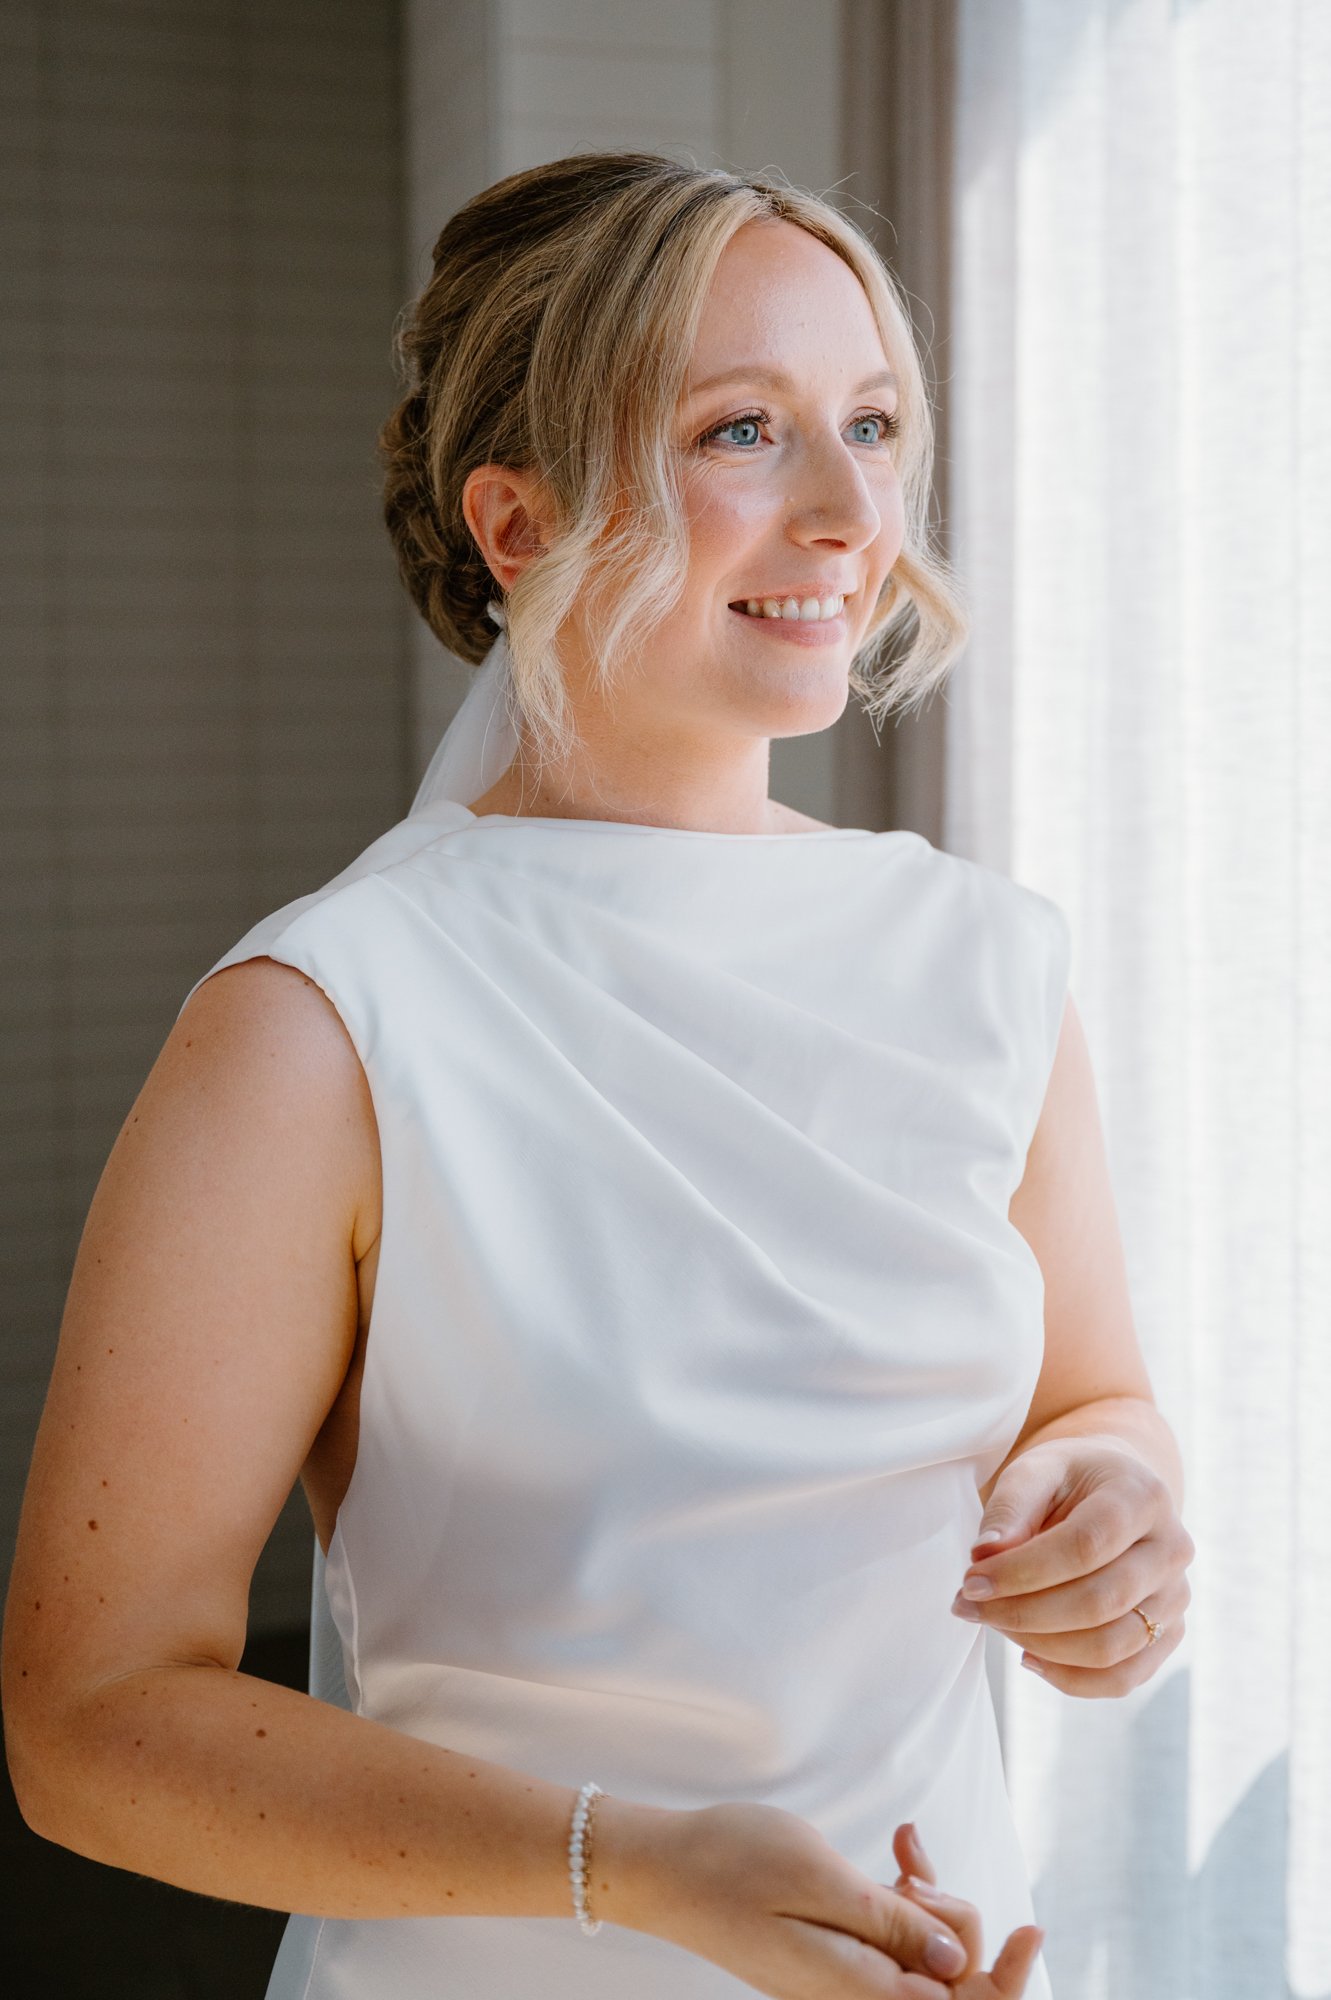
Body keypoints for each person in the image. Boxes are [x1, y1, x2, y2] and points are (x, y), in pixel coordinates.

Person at [3, 151, 1193, 2000]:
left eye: (869, 424)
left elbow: (1093, 1400)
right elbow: (88, 1721)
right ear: (518, 522)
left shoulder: (989, 965)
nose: (848, 511)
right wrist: (624, 1871)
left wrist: (1109, 1514)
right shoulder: (324, 1019)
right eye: (743, 431)